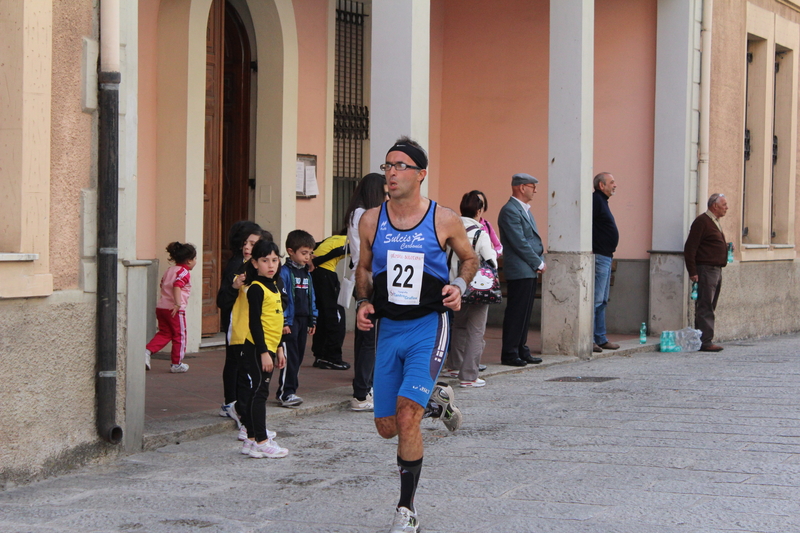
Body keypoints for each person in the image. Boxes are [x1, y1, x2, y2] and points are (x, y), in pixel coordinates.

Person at [355, 137, 478, 533]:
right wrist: (363, 301)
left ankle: (406, 510)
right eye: (387, 165)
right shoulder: (371, 219)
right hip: (389, 327)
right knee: (387, 426)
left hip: (429, 323)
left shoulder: (443, 219)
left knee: (408, 417)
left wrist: (459, 284)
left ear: (420, 174)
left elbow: (470, 258)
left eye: (400, 166)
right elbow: (363, 266)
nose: (390, 172)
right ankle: (436, 400)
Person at [229, 239, 289, 458]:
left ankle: (252, 440)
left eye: (275, 260)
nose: (271, 265)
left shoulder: (275, 285)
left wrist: (280, 348)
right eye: (265, 260)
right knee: (260, 393)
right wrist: (264, 352)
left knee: (259, 391)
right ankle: (261, 441)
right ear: (254, 263)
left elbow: (277, 320)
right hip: (257, 348)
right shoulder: (256, 288)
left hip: (271, 347)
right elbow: (255, 323)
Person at [443, 191, 498, 388]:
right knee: (476, 330)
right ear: (479, 210)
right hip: (476, 287)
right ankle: (469, 375)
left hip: (452, 284)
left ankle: (454, 364)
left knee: (458, 325)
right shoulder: (480, 233)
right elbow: (492, 261)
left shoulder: (450, 230)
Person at [343, 172, 387, 411]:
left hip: (362, 277)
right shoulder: (364, 215)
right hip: (369, 279)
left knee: (365, 337)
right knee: (369, 338)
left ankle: (364, 386)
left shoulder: (355, 213)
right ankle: (362, 392)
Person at [216, 220, 264, 421]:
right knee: (235, 362)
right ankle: (231, 403)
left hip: (252, 324)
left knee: (247, 365)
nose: (247, 247)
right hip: (235, 324)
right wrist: (235, 287)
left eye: (252, 244)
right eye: (245, 243)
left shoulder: (260, 265)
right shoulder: (236, 265)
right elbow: (222, 300)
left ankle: (242, 403)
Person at [497, 173, 545, 367]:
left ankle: (520, 348)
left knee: (525, 312)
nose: (535, 190)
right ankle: (509, 352)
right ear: (521, 187)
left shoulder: (524, 210)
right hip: (520, 268)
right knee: (517, 312)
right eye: (532, 186)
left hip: (528, 269)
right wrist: (538, 262)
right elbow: (520, 242)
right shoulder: (510, 210)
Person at [276, 229, 318, 407]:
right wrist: (284, 321)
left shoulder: (306, 273)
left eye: (309, 253)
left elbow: (311, 296)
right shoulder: (285, 273)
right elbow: (282, 298)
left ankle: (292, 389)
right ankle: (286, 393)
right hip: (290, 322)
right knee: (289, 357)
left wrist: (312, 318)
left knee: (298, 356)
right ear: (291, 251)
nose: (307, 257)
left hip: (302, 320)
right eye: (304, 253)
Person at [684, 193, 730, 352]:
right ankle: (705, 341)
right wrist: (692, 270)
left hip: (716, 269)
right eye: (724, 204)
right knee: (705, 305)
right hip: (705, 269)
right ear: (714, 206)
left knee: (710, 304)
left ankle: (702, 338)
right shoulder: (702, 221)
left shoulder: (714, 222)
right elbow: (690, 247)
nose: (726, 208)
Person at [145, 242, 197, 373]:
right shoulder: (184, 272)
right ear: (189, 260)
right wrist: (178, 304)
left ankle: (146, 352)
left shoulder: (169, 270)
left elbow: (162, 285)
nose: (195, 261)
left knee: (164, 333)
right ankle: (176, 363)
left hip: (162, 307)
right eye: (195, 259)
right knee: (180, 335)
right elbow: (177, 285)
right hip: (175, 310)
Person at [310, 230, 350, 370]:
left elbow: (315, 245)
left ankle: (320, 355)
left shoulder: (333, 238)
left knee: (323, 315)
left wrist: (311, 257)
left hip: (317, 276)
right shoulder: (353, 239)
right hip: (326, 275)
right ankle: (332, 357)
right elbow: (340, 251)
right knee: (336, 316)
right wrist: (315, 261)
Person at [592, 172, 620, 353]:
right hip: (599, 256)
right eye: (612, 182)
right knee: (595, 300)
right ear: (601, 185)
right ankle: (590, 338)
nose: (615, 185)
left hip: (606, 256)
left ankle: (600, 337)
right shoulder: (596, 200)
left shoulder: (603, 202)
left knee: (602, 300)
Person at [475, 190, 502, 256]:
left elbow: (499, 247)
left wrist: (492, 253)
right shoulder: (462, 224)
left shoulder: (487, 225)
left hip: (486, 265)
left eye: (482, 204)